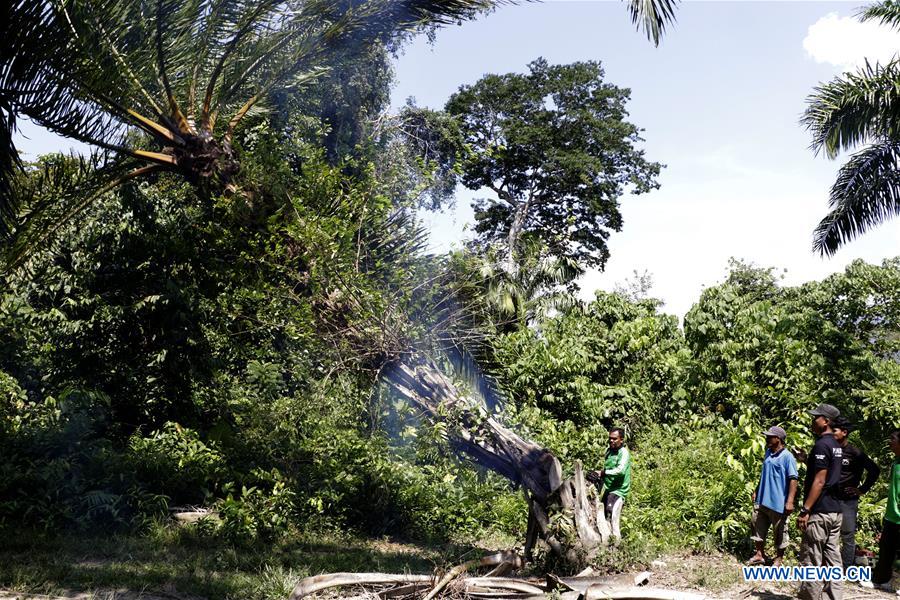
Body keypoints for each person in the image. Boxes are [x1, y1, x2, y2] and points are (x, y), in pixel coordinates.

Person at [797, 403, 844, 600]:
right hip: (835, 511)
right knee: (833, 559)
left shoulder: (822, 445)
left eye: (816, 417)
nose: (812, 420)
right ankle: (833, 596)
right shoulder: (836, 445)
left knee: (811, 557)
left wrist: (805, 509)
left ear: (826, 421)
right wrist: (807, 460)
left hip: (820, 511)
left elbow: (820, 480)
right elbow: (828, 471)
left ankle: (810, 596)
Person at [831, 417, 880, 570]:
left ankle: (846, 567)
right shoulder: (831, 450)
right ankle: (832, 566)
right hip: (831, 500)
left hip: (848, 501)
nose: (831, 433)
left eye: (834, 430)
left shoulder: (855, 452)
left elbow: (874, 470)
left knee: (847, 535)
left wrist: (862, 489)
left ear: (844, 432)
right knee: (831, 536)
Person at [748, 425, 798, 567]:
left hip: (778, 502)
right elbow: (764, 474)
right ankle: (760, 554)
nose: (767, 439)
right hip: (762, 498)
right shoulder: (768, 453)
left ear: (778, 439)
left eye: (770, 437)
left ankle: (778, 559)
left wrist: (790, 501)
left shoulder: (787, 457)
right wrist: (757, 490)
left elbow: (793, 479)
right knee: (757, 524)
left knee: (780, 530)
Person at [864, 429, 900, 593]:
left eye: (892, 439)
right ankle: (880, 580)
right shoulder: (896, 462)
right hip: (892, 516)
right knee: (886, 550)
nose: (889, 442)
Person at [597, 427, 631, 540]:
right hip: (608, 488)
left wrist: (604, 473)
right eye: (610, 438)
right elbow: (606, 468)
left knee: (611, 515)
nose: (611, 441)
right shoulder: (609, 451)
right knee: (601, 514)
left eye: (615, 439)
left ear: (621, 440)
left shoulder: (623, 453)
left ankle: (616, 542)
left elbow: (620, 471)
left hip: (619, 490)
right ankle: (605, 542)